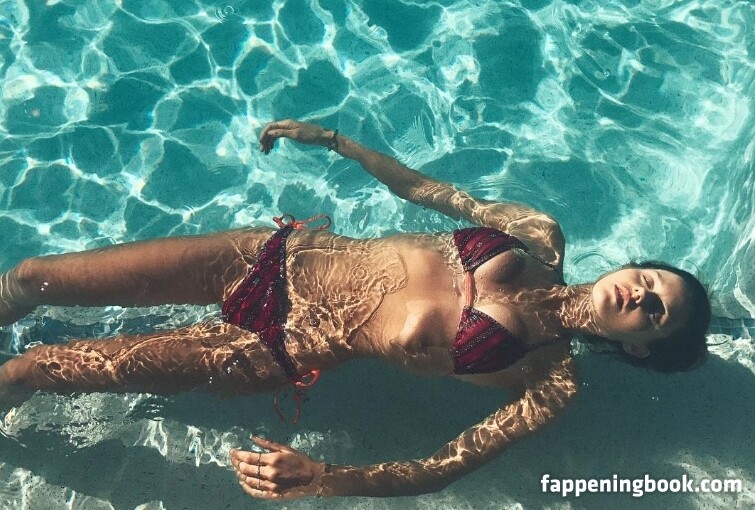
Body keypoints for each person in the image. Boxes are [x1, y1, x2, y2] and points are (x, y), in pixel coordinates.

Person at [0, 120, 711, 500]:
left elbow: (444, 464)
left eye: (655, 312)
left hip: (271, 349)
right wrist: (340, 144)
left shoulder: (549, 380)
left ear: (640, 347)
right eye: (650, 279)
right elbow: (429, 192)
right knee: (32, 277)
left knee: (37, 368)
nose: (639, 293)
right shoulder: (538, 235)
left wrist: (323, 479)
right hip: (265, 256)